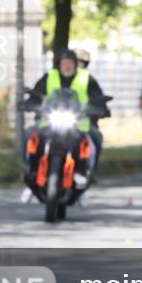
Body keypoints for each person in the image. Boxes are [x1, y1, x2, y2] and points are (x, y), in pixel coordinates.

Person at [21, 48, 110, 200]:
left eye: (70, 63)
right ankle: (31, 171)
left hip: (79, 124)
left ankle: (85, 172)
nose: (67, 66)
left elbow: (97, 97)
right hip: (49, 122)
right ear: (59, 64)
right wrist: (29, 104)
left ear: (75, 64)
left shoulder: (86, 78)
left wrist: (101, 108)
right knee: (29, 135)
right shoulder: (50, 77)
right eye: (64, 63)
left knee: (96, 137)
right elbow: (37, 94)